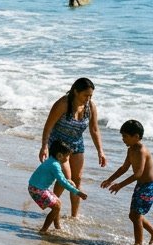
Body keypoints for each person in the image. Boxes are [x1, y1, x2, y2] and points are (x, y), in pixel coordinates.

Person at [39, 78, 106, 218]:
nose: (88, 99)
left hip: (76, 144)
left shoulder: (90, 107)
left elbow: (94, 129)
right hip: (58, 145)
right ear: (76, 91)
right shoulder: (63, 104)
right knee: (66, 178)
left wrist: (100, 151)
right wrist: (44, 146)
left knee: (78, 178)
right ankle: (53, 209)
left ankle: (74, 216)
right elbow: (48, 126)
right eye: (85, 95)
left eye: (90, 96)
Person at [101, 120, 153, 245]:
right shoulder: (131, 150)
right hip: (141, 186)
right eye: (122, 136)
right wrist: (110, 180)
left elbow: (138, 174)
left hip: (149, 187)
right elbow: (124, 168)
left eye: (125, 136)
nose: (123, 139)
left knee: (136, 215)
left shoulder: (141, 150)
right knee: (133, 215)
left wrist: (120, 185)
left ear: (136, 136)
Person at [28, 141, 86, 235]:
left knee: (57, 203)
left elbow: (61, 178)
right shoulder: (55, 165)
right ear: (59, 155)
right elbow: (62, 182)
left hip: (35, 187)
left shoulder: (51, 160)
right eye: (67, 156)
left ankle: (57, 227)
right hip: (37, 189)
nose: (68, 159)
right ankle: (44, 230)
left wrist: (68, 180)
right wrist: (77, 192)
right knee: (56, 207)